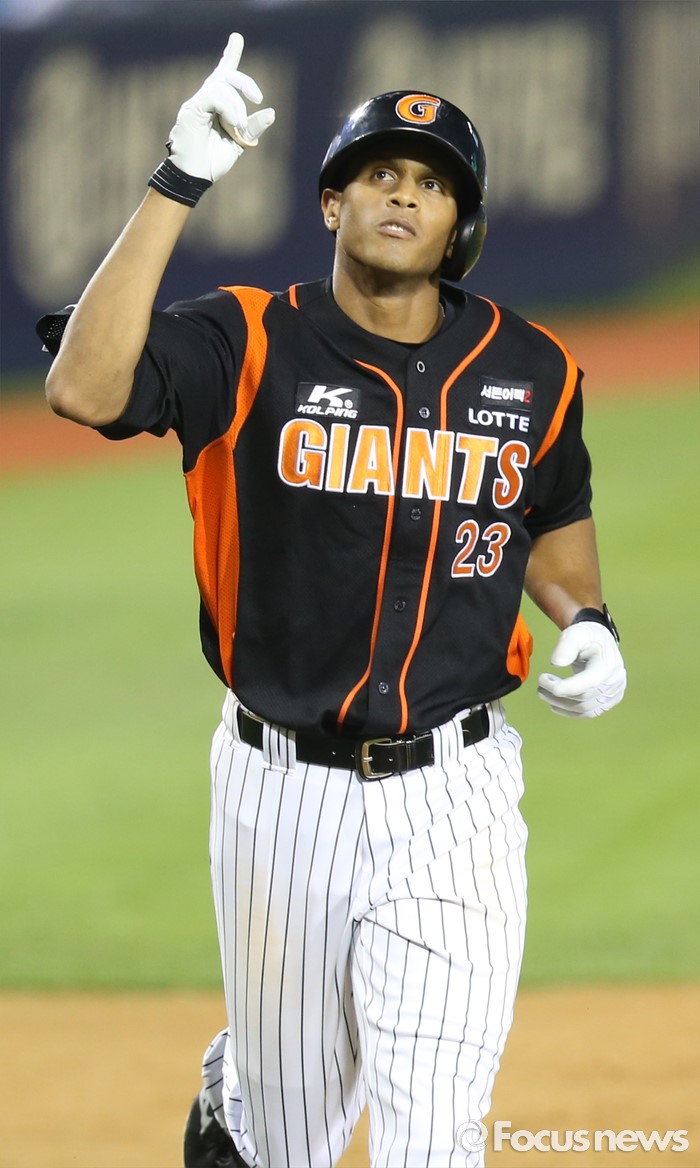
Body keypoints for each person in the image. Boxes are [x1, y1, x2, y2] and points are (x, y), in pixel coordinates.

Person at [39, 32, 627, 1168]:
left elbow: (552, 509)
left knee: (433, 1137)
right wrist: (177, 182)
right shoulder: (246, 338)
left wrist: (589, 620)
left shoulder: (532, 369)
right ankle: (241, 1109)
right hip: (279, 797)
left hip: (455, 795)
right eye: (380, 173)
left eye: (431, 185)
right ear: (331, 203)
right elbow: (84, 388)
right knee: (289, 1140)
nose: (403, 196)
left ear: (461, 228)